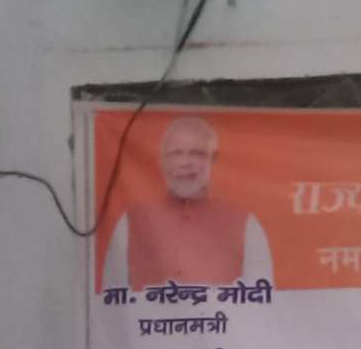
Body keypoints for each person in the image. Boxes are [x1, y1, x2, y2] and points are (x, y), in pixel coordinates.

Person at [98, 114, 273, 291]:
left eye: (196, 154)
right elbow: (112, 298)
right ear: (162, 160)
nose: (185, 163)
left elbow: (262, 299)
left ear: (213, 159)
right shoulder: (130, 223)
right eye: (176, 154)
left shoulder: (246, 225)